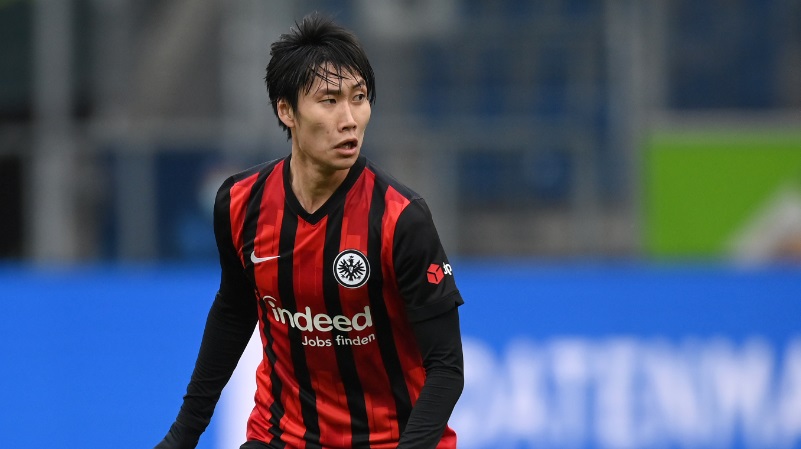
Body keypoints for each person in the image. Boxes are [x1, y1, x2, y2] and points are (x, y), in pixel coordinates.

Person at [154, 12, 465, 449]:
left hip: (388, 441)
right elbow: (234, 311)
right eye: (329, 100)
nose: (349, 118)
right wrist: (181, 437)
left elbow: (447, 368)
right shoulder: (241, 203)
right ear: (287, 110)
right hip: (281, 437)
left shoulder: (401, 219)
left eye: (359, 98)